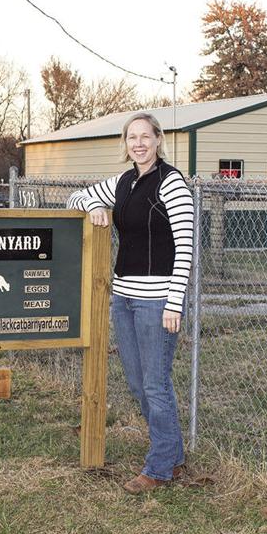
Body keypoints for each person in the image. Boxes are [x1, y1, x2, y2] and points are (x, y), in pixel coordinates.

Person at [68, 112, 194, 494]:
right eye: (131, 138)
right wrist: (94, 207)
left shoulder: (172, 183)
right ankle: (172, 456)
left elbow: (186, 246)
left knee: (155, 384)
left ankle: (157, 468)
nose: (138, 143)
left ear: (158, 139)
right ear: (125, 144)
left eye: (145, 136)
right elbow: (75, 196)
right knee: (139, 385)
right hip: (123, 298)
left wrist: (175, 303)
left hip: (158, 303)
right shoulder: (124, 182)